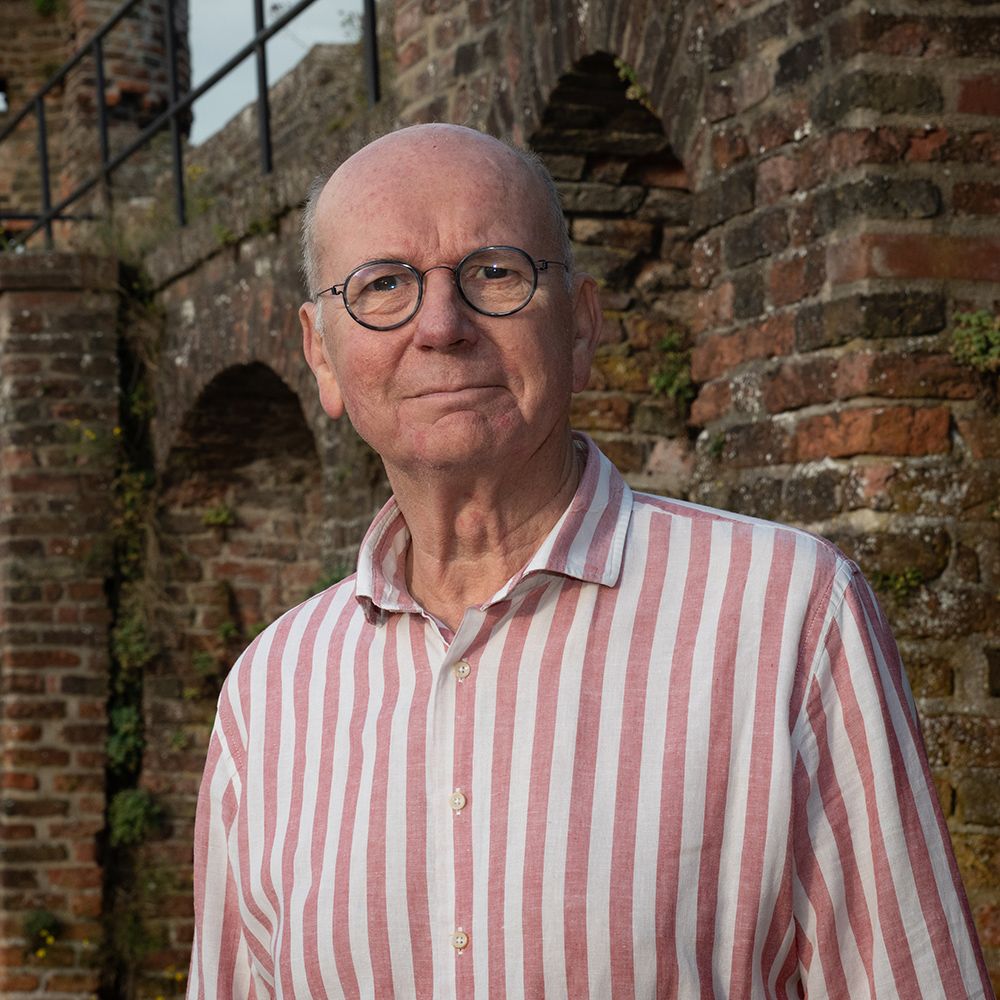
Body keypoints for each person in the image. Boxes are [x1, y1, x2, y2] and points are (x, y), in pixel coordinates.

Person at [187, 124, 994, 1000]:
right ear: (321, 353)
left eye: (495, 272)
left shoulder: (789, 615)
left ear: (580, 325)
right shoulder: (269, 693)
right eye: (384, 285)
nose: (442, 325)